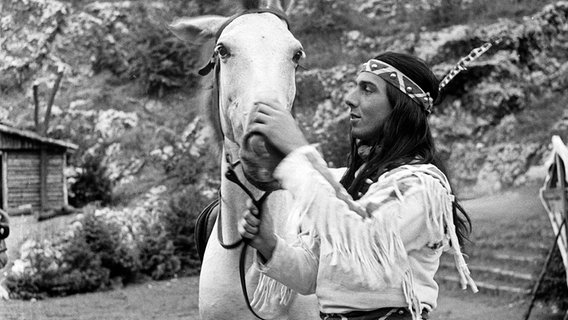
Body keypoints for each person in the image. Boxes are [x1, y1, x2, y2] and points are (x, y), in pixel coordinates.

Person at [238, 51, 477, 320]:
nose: (349, 98)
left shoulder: (421, 184)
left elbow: (362, 238)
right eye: (355, 86)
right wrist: (269, 244)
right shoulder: (351, 186)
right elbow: (315, 277)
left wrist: (298, 151)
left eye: (367, 89)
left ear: (400, 108)